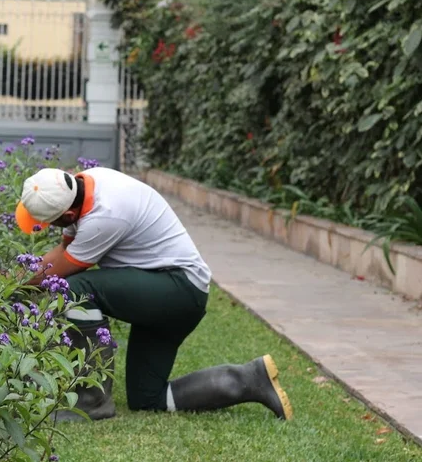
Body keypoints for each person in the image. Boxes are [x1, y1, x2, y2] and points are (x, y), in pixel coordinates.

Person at [15, 166, 293, 422]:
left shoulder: (107, 214)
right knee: (147, 398)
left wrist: (9, 286)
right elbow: (65, 247)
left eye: (48, 222)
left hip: (177, 288)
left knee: (72, 290)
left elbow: (58, 270)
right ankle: (248, 379)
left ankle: (90, 400)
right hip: (171, 293)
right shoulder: (85, 184)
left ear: (68, 215)